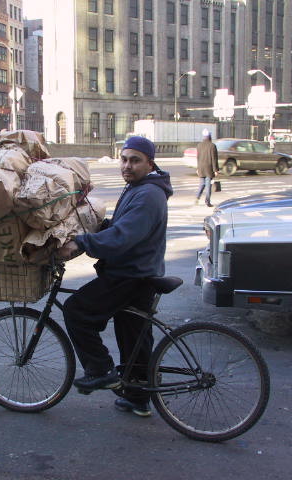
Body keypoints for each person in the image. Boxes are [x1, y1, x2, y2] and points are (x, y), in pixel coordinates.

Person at [57, 136, 173, 417]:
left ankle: (100, 369)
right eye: (124, 159)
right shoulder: (139, 187)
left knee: (77, 310)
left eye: (135, 160)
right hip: (141, 271)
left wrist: (83, 243)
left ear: (150, 163)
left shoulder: (148, 194)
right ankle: (138, 396)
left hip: (131, 274)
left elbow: (124, 237)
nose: (127, 165)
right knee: (133, 337)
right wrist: (96, 226)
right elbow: (121, 226)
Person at [194, 130, 219, 207]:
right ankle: (207, 201)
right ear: (210, 136)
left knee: (202, 184)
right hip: (209, 168)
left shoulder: (199, 145)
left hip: (201, 168)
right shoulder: (212, 146)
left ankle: (197, 198)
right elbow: (214, 159)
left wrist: (198, 168)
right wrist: (216, 170)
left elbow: (198, 158)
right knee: (208, 186)